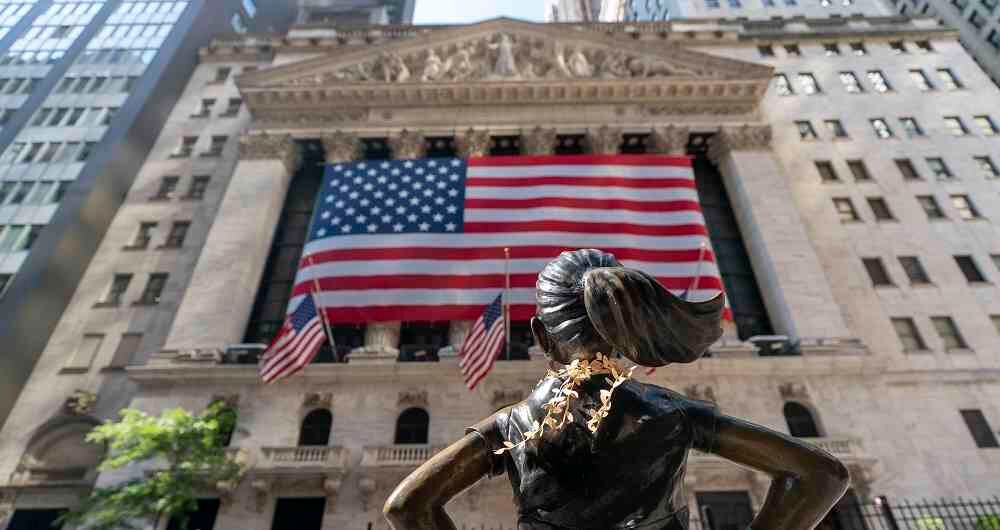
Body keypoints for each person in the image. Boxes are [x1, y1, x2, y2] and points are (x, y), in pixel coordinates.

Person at [384, 249, 850, 530]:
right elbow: (822, 475)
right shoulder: (671, 413)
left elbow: (408, 506)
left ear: (541, 335)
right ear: (628, 332)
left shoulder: (513, 426)